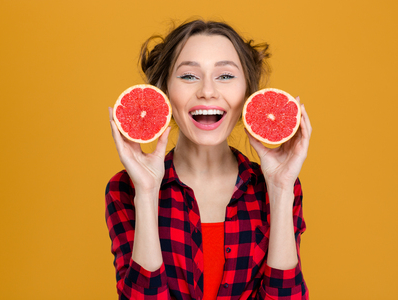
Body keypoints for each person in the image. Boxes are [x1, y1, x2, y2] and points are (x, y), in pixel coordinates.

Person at [106, 19, 311, 300]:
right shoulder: (124, 189)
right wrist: (147, 192)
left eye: (225, 76)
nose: (208, 91)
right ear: (163, 90)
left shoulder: (278, 187)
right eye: (189, 76)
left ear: (247, 93)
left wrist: (280, 189)